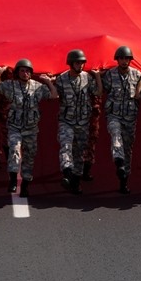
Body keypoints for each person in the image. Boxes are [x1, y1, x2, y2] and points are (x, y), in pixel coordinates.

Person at [0, 59, 57, 197]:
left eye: (28, 71)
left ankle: (25, 185)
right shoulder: (10, 85)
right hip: (15, 127)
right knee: (14, 150)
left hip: (31, 129)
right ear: (17, 73)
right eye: (22, 70)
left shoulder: (38, 87)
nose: (25, 73)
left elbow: (54, 95)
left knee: (29, 157)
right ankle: (13, 179)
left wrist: (48, 82)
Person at [55, 50, 102, 194]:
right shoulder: (61, 79)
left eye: (82, 62)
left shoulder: (87, 78)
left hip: (82, 122)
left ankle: (75, 182)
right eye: (77, 62)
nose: (80, 65)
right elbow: (54, 94)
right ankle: (67, 172)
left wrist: (98, 77)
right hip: (66, 121)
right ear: (70, 63)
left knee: (79, 153)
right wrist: (48, 82)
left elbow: (98, 92)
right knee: (66, 146)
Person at [103, 46, 141, 194]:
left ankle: (124, 179)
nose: (124, 61)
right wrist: (97, 76)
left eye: (126, 58)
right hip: (114, 115)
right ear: (117, 60)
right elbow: (101, 89)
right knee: (115, 134)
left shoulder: (137, 75)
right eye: (121, 58)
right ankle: (118, 160)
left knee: (128, 149)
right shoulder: (109, 75)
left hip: (130, 117)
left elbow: (140, 94)